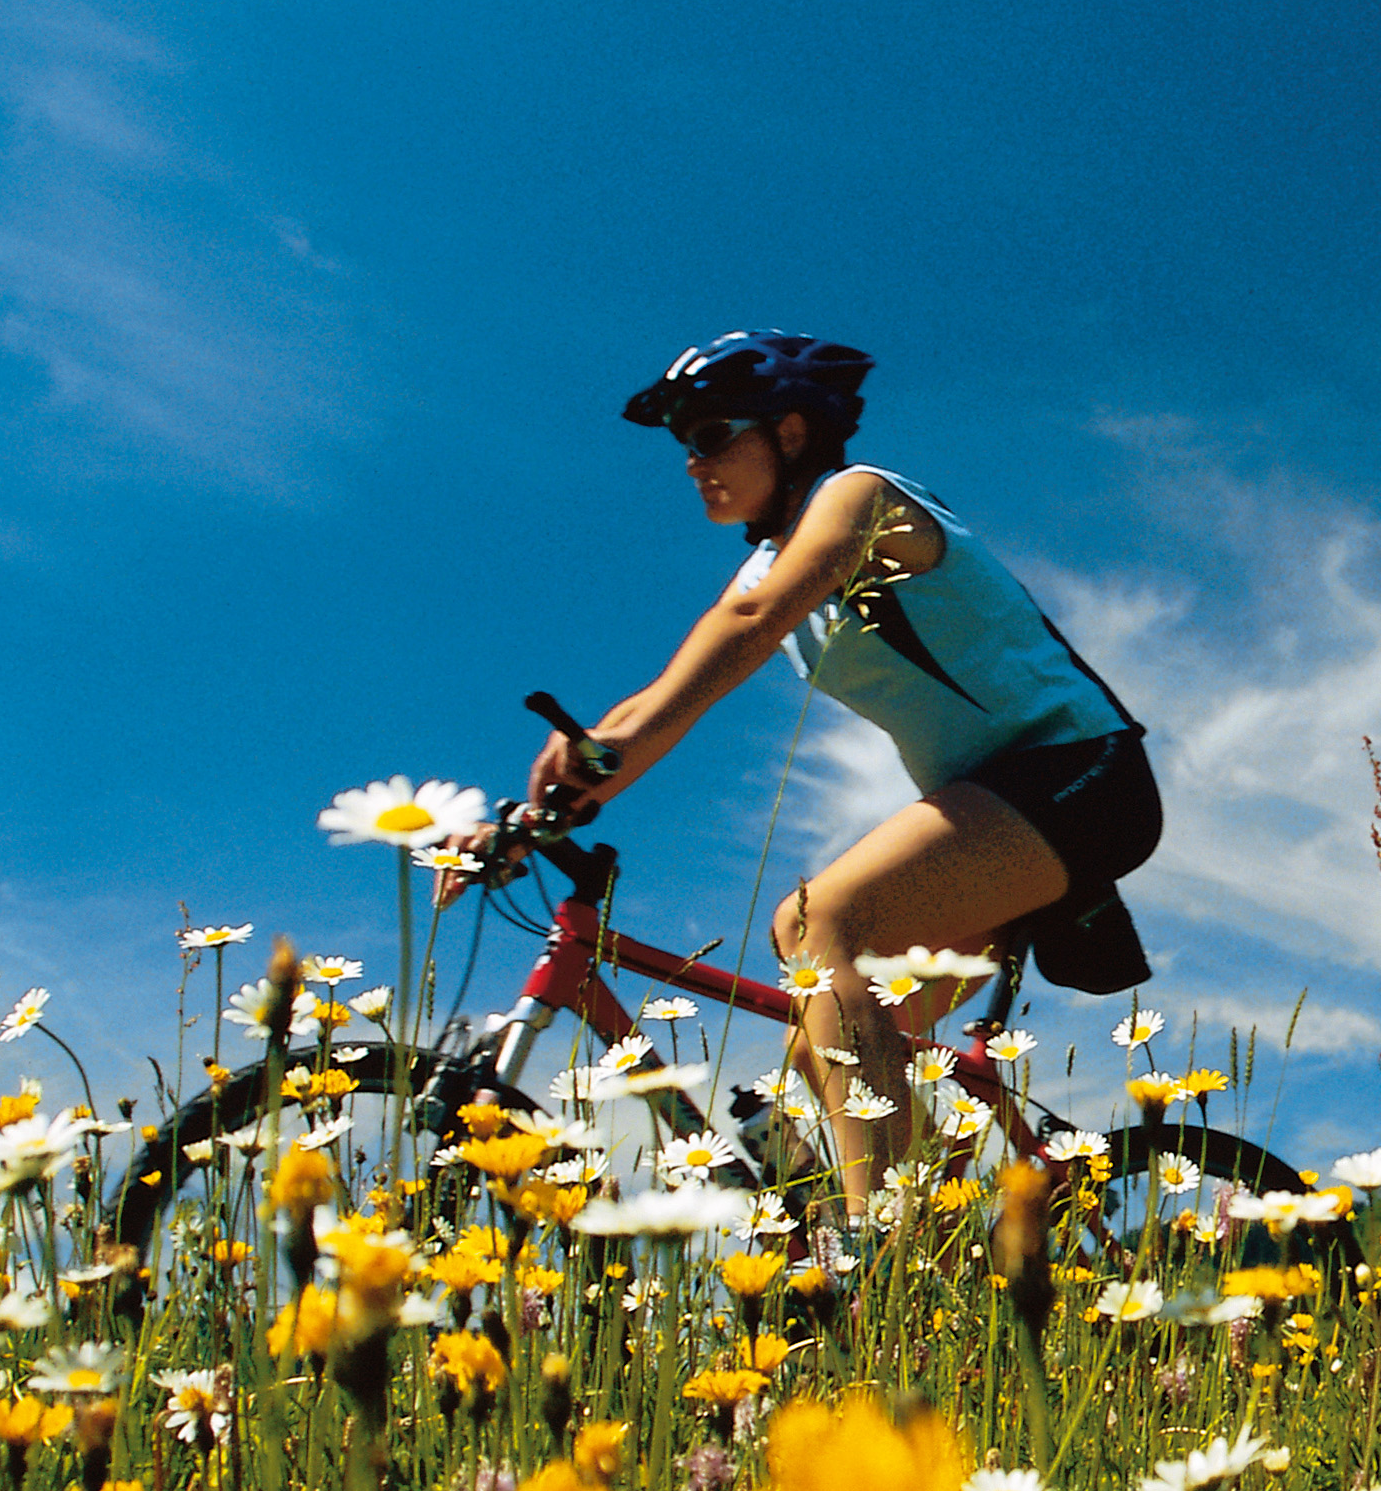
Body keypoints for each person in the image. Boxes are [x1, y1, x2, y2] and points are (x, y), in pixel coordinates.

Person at [471, 330, 1160, 1212]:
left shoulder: (860, 497)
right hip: (1002, 812)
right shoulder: (765, 562)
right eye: (685, 444)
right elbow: (664, 700)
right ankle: (873, 1235)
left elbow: (748, 626)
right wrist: (527, 821)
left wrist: (597, 758)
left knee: (820, 917)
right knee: (819, 1038)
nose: (693, 462)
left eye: (712, 432)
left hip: (1083, 777)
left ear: (790, 433)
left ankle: (888, 1254)